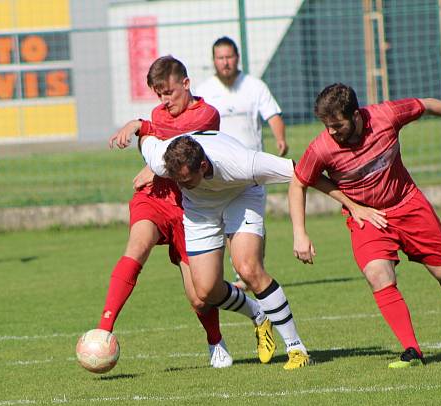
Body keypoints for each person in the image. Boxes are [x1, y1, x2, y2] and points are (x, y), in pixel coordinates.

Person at [138, 130, 384, 370]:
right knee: (205, 291)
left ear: (203, 166)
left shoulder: (244, 164)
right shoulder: (163, 160)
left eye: (186, 179)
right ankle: (258, 314)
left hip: (242, 196)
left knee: (248, 268)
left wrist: (352, 205)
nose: (181, 184)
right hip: (200, 211)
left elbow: (303, 172)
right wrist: (136, 128)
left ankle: (296, 348)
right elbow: (145, 136)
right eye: (177, 179)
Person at [291, 83, 441, 368]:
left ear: (357, 115)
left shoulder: (386, 115)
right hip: (367, 217)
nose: (332, 132)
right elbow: (300, 181)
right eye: (327, 126)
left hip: (409, 205)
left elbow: (428, 104)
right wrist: (300, 234)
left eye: (337, 125)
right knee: (378, 274)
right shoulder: (322, 147)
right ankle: (412, 350)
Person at [106, 56, 273, 369]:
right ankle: (103, 331)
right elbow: (156, 139)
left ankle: (244, 320)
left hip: (190, 207)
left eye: (168, 92)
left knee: (201, 296)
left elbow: (181, 144)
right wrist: (146, 132)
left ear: (186, 84)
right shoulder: (158, 114)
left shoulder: (206, 114)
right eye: (158, 95)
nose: (164, 101)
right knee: (137, 246)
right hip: (155, 199)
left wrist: (143, 130)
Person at [195, 36, 288, 290]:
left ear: (237, 58)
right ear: (213, 61)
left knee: (252, 219)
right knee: (226, 220)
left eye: (229, 57)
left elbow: (273, 114)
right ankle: (242, 272)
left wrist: (280, 139)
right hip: (218, 169)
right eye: (220, 58)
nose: (225, 62)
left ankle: (253, 266)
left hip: (251, 168)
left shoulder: (254, 86)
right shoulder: (204, 91)